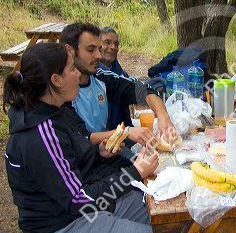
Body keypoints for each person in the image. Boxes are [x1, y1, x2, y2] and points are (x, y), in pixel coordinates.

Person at [3, 43, 158, 233]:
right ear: (56, 80)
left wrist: (100, 152)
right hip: (64, 222)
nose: (78, 74)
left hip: (89, 205)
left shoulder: (59, 109)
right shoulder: (40, 134)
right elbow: (78, 200)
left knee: (159, 215)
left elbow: (69, 158)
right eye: (72, 68)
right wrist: (136, 172)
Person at [59, 22, 173, 146]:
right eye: (91, 50)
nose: (98, 55)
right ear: (70, 51)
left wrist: (163, 116)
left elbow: (142, 89)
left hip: (107, 152)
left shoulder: (101, 77)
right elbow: (80, 136)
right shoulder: (60, 92)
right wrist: (125, 132)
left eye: (98, 49)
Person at [98, 26, 133, 130]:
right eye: (107, 42)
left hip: (120, 133)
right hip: (100, 138)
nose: (113, 47)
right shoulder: (92, 75)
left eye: (116, 44)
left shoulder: (121, 74)